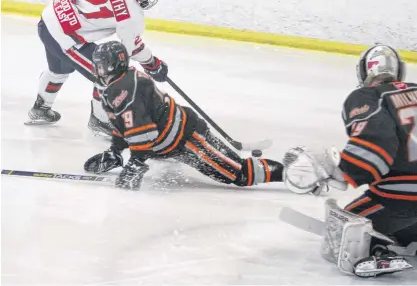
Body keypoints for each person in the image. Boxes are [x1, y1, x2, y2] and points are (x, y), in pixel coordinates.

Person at [282, 44, 416, 277]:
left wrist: (344, 171)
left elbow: (376, 145)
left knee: (347, 220)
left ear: (363, 72)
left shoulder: (368, 96)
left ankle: (376, 251)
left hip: (402, 197)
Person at [83, 41, 284, 191]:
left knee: (241, 174)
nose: (97, 70)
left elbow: (143, 134)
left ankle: (291, 174)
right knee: (236, 171)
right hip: (173, 142)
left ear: (113, 65)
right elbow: (124, 125)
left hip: (188, 138)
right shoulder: (118, 85)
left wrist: (136, 162)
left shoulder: (124, 88)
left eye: (100, 65)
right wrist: (116, 150)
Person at [25, 0, 168, 137]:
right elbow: (132, 48)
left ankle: (40, 109)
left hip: (49, 19)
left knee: (59, 70)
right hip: (65, 35)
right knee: (110, 74)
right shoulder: (133, 15)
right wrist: (153, 64)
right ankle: (99, 121)